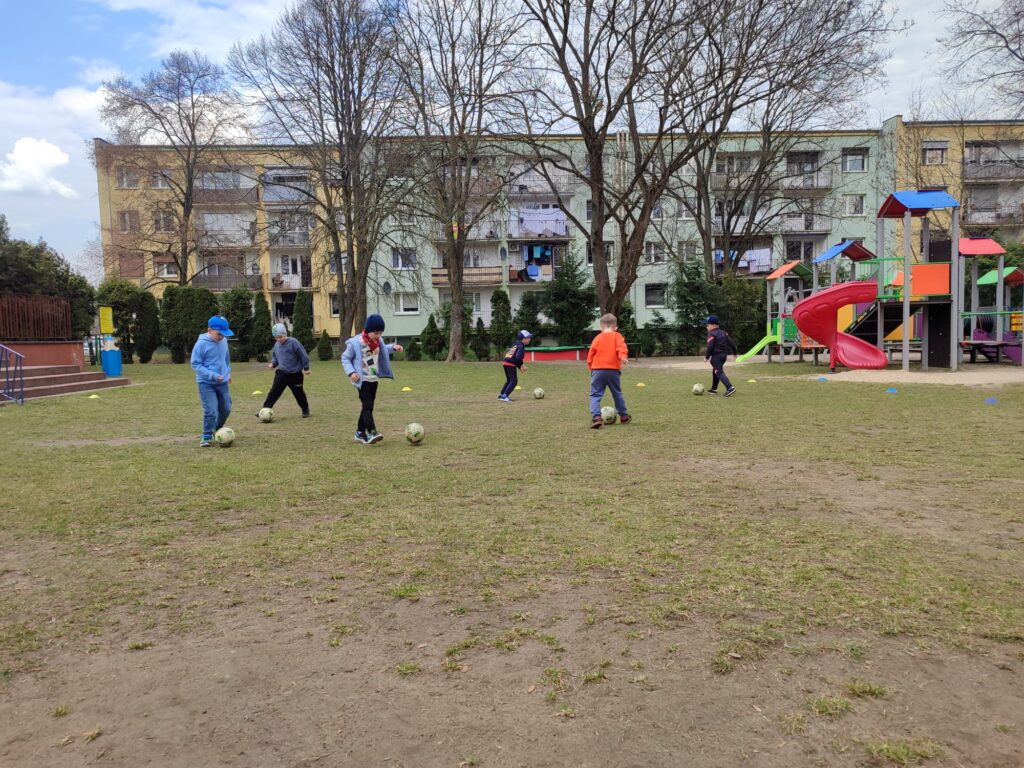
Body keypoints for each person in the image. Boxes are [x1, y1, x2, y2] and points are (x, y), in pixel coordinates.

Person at [341, 314, 403, 444]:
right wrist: (351, 372)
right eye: (376, 333)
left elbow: (384, 350)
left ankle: (360, 432)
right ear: (368, 330)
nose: (378, 336)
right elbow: (345, 358)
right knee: (368, 406)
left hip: (373, 378)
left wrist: (393, 347)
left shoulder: (378, 342)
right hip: (362, 379)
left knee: (367, 407)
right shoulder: (356, 343)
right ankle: (372, 432)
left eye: (380, 333)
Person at [191, 315, 233, 447]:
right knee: (211, 411)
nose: (221, 337)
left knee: (226, 409)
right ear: (209, 330)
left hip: (222, 382)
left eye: (224, 334)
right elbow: (195, 364)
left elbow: (226, 358)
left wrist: (228, 373)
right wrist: (212, 375)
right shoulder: (201, 344)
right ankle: (206, 435)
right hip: (206, 383)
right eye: (219, 334)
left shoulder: (223, 341)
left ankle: (217, 429)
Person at [587, 313, 631, 428]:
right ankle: (624, 416)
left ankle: (596, 417)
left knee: (595, 394)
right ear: (615, 327)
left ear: (601, 327)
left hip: (597, 370)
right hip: (613, 370)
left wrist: (592, 368)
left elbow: (590, 355)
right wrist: (623, 357)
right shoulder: (617, 336)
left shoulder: (597, 338)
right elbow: (621, 348)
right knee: (617, 393)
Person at [261, 323, 311, 418]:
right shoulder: (276, 345)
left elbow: (303, 355)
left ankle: (305, 409)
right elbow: (275, 356)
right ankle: (265, 409)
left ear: (285, 334)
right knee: (274, 391)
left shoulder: (293, 342)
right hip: (282, 373)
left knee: (299, 393)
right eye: (276, 338)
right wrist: (273, 363)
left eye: (280, 337)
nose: (279, 339)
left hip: (295, 374)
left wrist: (306, 368)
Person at [704, 314, 738, 396]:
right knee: (715, 371)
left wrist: (707, 357)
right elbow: (731, 343)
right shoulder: (724, 333)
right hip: (723, 356)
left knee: (718, 372)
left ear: (713, 325)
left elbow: (710, 346)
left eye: (707, 325)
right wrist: (735, 352)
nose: (706, 327)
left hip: (716, 357)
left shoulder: (712, 334)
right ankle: (714, 389)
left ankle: (730, 388)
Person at [499, 330, 532, 402]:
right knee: (514, 381)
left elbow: (515, 357)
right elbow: (518, 358)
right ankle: (505, 396)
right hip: (510, 364)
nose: (529, 339)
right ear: (523, 339)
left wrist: (520, 366)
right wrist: (521, 366)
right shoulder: (521, 346)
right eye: (528, 338)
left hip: (506, 362)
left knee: (509, 380)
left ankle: (501, 394)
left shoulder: (516, 344)